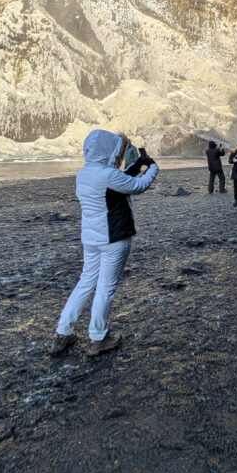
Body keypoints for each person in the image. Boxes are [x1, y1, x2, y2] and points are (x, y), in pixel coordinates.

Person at [51, 130, 159, 357]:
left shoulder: (84, 174)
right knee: (105, 288)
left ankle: (63, 332)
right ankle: (98, 337)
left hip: (91, 239)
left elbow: (119, 182)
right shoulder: (107, 176)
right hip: (113, 238)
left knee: (85, 282)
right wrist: (153, 168)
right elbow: (137, 186)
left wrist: (137, 164)